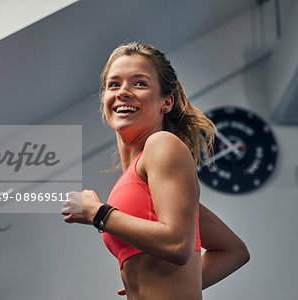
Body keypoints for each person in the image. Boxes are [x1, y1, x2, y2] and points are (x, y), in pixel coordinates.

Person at [62, 42, 250, 300]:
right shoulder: (136, 178)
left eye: (139, 83)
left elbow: (177, 244)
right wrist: (165, 287)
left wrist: (98, 213)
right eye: (113, 85)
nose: (123, 92)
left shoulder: (162, 144)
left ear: (166, 102)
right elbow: (233, 250)